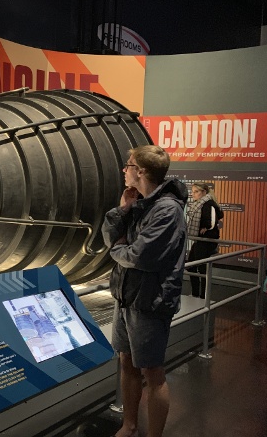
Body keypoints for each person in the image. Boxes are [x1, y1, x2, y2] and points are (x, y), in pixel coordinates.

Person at [101, 145, 187, 437]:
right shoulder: (140, 203)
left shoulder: (167, 210)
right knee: (126, 361)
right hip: (127, 296)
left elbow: (139, 256)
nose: (124, 170)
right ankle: (130, 425)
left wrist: (117, 250)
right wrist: (123, 209)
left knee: (153, 372)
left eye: (128, 165)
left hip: (150, 301)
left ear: (140, 171)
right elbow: (111, 235)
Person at [186, 182, 223, 298]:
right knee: (191, 265)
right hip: (200, 240)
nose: (193, 194)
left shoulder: (209, 204)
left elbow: (213, 220)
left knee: (201, 268)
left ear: (204, 192)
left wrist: (206, 227)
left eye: (196, 192)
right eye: (193, 192)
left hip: (206, 240)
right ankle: (196, 293)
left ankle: (202, 296)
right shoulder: (200, 204)